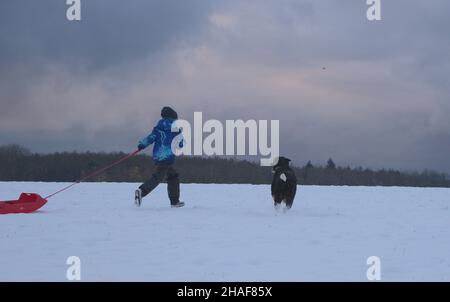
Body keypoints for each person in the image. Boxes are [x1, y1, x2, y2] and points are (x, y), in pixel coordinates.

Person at [135, 106, 185, 208]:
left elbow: (150, 138)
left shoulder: (158, 128)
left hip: (158, 156)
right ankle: (141, 191)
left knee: (173, 176)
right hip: (167, 157)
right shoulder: (176, 129)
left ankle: (174, 202)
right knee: (158, 177)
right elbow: (181, 144)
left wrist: (142, 145)